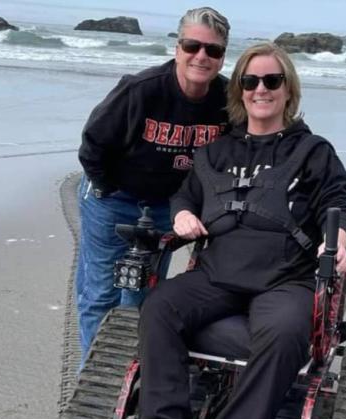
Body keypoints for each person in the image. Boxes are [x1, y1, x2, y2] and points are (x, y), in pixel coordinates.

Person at [134, 42, 346, 419]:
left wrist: (338, 241)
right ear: (239, 90)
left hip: (286, 278)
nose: (261, 89)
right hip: (217, 274)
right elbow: (185, 194)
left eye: (272, 80)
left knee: (285, 331)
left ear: (288, 89)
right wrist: (182, 215)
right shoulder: (216, 151)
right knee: (159, 307)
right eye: (251, 81)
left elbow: (337, 202)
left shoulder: (313, 152)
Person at [75, 7, 231, 369]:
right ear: (177, 48)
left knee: (142, 292)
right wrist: (107, 188)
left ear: (223, 56)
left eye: (213, 50)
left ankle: (131, 373)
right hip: (114, 200)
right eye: (192, 46)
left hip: (169, 207)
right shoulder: (140, 90)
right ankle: (93, 378)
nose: (202, 56)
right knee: (101, 294)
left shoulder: (228, 101)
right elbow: (93, 143)